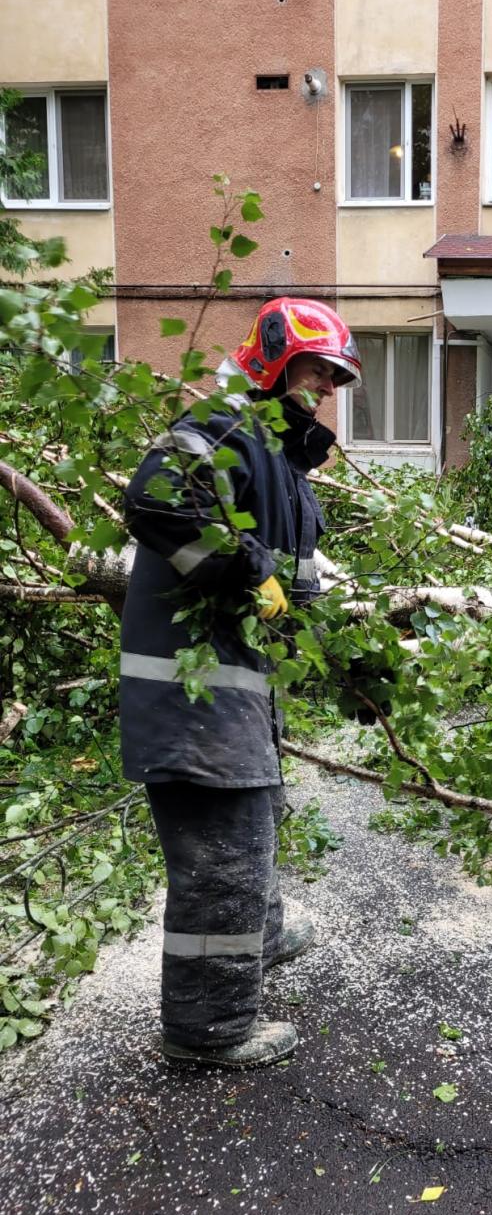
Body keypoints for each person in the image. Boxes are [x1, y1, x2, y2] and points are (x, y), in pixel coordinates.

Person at [119, 297, 362, 1069]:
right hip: (192, 690)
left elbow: (293, 583)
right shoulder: (230, 425)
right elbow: (156, 498)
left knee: (255, 819)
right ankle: (207, 1030)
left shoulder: (278, 459)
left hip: (237, 684)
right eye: (318, 371)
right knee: (223, 852)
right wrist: (249, 571)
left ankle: (260, 936)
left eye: (332, 377)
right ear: (276, 359)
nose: (325, 388)